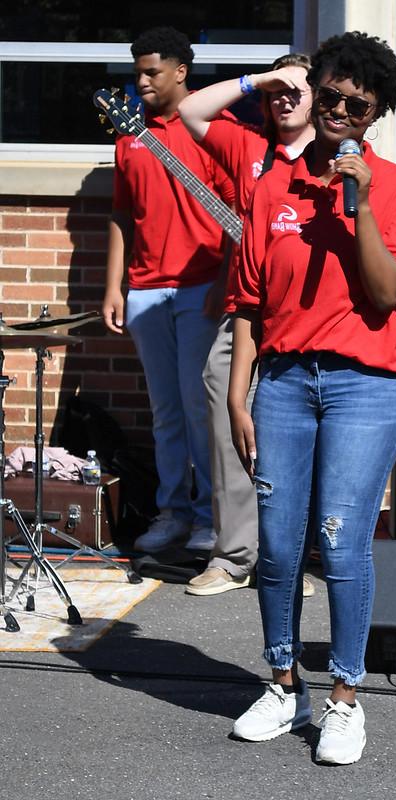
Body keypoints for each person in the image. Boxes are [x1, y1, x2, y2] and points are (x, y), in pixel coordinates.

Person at [227, 32, 396, 764]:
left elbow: (386, 291)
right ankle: (285, 685)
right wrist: (237, 396)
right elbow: (248, 301)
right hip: (280, 382)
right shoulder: (271, 186)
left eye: (357, 103)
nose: (340, 109)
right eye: (332, 94)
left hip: (364, 386)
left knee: (341, 540)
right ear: (315, 92)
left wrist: (360, 206)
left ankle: (345, 697)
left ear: (375, 114)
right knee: (278, 547)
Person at [177, 54, 316, 597]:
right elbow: (190, 111)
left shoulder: (328, 154)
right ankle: (232, 556)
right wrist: (256, 79)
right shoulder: (247, 145)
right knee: (226, 426)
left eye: (295, 88)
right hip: (242, 310)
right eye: (275, 90)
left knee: (295, 437)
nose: (283, 97)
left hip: (304, 317)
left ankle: (283, 560)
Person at [102, 26, 234, 554]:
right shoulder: (129, 136)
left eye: (151, 71)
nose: (142, 81)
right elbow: (121, 216)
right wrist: (114, 286)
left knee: (200, 405)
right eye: (136, 72)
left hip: (201, 286)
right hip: (146, 289)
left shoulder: (214, 130)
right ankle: (172, 512)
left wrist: (224, 281)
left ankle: (209, 518)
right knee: (165, 410)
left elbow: (236, 215)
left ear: (181, 71)